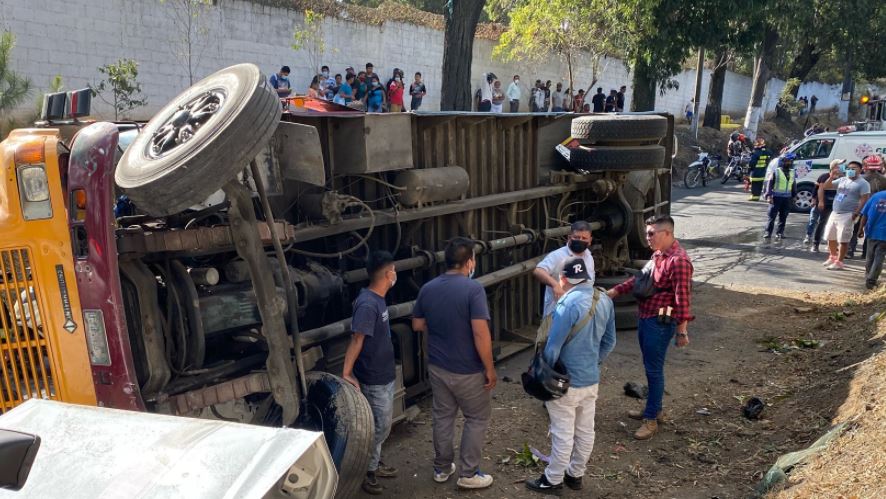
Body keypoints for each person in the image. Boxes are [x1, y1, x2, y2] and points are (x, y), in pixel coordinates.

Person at [524, 259, 616, 495]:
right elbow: (610, 342)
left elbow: (553, 348)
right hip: (591, 379)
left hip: (565, 382)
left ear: (564, 279)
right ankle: (576, 475)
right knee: (586, 430)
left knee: (562, 432)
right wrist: (593, 362)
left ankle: (552, 479)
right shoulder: (604, 299)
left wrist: (543, 374)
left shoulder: (567, 303)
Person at [412, 238, 496, 490]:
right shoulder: (473, 290)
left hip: (438, 367)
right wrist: (489, 368)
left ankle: (441, 467)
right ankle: (468, 473)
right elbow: (481, 333)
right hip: (468, 370)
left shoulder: (428, 288)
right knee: (476, 419)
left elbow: (417, 324)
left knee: (443, 417)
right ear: (469, 262)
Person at [607, 215, 693, 441]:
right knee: (650, 368)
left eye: (651, 233)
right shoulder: (658, 255)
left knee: (654, 370)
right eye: (647, 233)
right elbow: (640, 280)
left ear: (667, 233)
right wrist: (616, 291)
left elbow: (682, 299)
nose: (647, 237)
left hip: (660, 323)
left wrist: (681, 330)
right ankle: (654, 409)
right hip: (646, 317)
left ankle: (651, 419)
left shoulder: (679, 261)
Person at [342, 251, 399, 495]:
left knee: (382, 425)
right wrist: (346, 372)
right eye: (394, 270)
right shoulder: (367, 304)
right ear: (388, 274)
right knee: (379, 427)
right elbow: (357, 340)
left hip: (384, 374)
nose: (395, 274)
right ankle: (367, 472)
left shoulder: (376, 298)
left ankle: (374, 463)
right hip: (374, 378)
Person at [533, 221, 596, 321]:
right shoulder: (558, 255)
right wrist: (555, 285)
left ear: (590, 240)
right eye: (576, 237)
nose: (580, 240)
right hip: (557, 315)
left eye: (584, 238)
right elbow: (538, 271)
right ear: (569, 237)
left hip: (582, 315)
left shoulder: (589, 256)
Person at [822, 161, 872, 270]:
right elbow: (826, 186)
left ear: (860, 170)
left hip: (848, 214)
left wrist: (857, 213)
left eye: (854, 168)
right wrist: (831, 177)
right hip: (835, 212)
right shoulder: (842, 179)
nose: (851, 170)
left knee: (843, 239)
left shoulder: (863, 183)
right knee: (831, 236)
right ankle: (832, 257)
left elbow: (865, 199)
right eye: (849, 168)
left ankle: (839, 262)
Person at [849, 155, 886, 258]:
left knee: (854, 229)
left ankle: (850, 251)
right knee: (869, 230)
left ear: (865, 166)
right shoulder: (883, 179)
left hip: (859, 208)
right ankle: (866, 253)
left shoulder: (860, 179)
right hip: (876, 210)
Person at [804, 160, 842, 252]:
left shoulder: (843, 178)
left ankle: (832, 244)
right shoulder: (824, 176)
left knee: (836, 225)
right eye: (839, 166)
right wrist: (819, 201)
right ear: (833, 167)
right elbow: (819, 189)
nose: (841, 168)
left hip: (837, 204)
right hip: (825, 203)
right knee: (821, 222)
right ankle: (815, 243)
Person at [762, 155, 797, 241]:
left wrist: (794, 196)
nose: (788, 163)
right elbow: (769, 184)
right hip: (776, 197)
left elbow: (793, 185)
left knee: (783, 216)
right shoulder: (776, 172)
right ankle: (768, 232)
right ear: (782, 162)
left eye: (790, 161)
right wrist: (769, 196)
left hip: (787, 198)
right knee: (772, 216)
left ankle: (780, 233)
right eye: (786, 161)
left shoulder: (792, 172)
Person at [858, 185, 886, 289]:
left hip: (871, 231)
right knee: (879, 256)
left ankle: (869, 276)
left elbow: (864, 214)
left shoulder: (875, 196)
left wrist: (860, 229)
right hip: (884, 234)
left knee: (870, 256)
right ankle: (871, 280)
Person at [747, 137, 773, 201]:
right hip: (764, 172)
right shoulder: (768, 152)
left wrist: (749, 170)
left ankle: (755, 197)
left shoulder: (755, 153)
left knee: (755, 186)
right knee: (761, 185)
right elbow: (770, 157)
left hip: (755, 173)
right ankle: (761, 196)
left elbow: (752, 163)